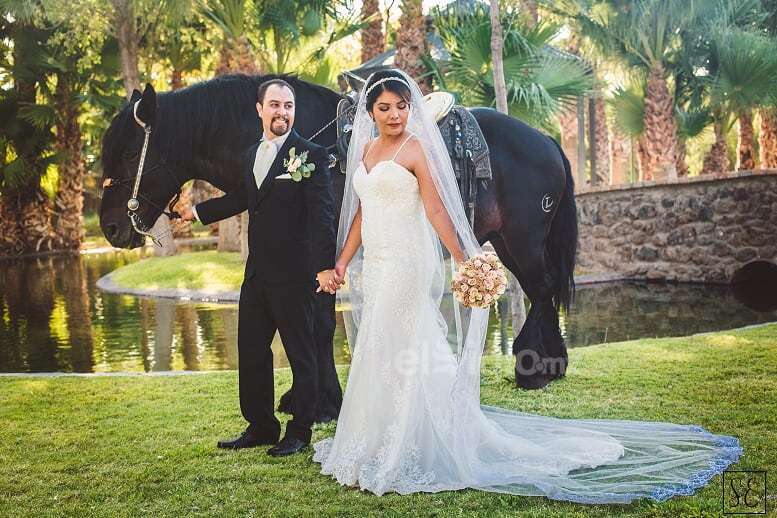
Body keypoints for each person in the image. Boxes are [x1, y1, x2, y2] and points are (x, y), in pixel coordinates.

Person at [311, 69, 743, 503]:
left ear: (411, 109)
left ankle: (413, 438)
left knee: (406, 336)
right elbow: (363, 213)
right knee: (378, 344)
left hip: (407, 261)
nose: (395, 115)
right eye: (384, 108)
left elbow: (438, 210)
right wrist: (343, 263)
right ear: (370, 112)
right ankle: (375, 435)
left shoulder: (417, 149)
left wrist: (466, 257)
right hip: (379, 263)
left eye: (402, 107)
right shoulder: (365, 151)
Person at [181, 79, 338, 456]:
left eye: (288, 106)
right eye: (275, 105)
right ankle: (262, 425)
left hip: (298, 276)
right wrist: (198, 212)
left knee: (303, 355)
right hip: (257, 275)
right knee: (251, 351)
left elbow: (322, 216)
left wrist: (323, 268)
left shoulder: (311, 154)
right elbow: (242, 197)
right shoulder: (252, 153)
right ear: (260, 110)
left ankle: (299, 431)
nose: (282, 112)